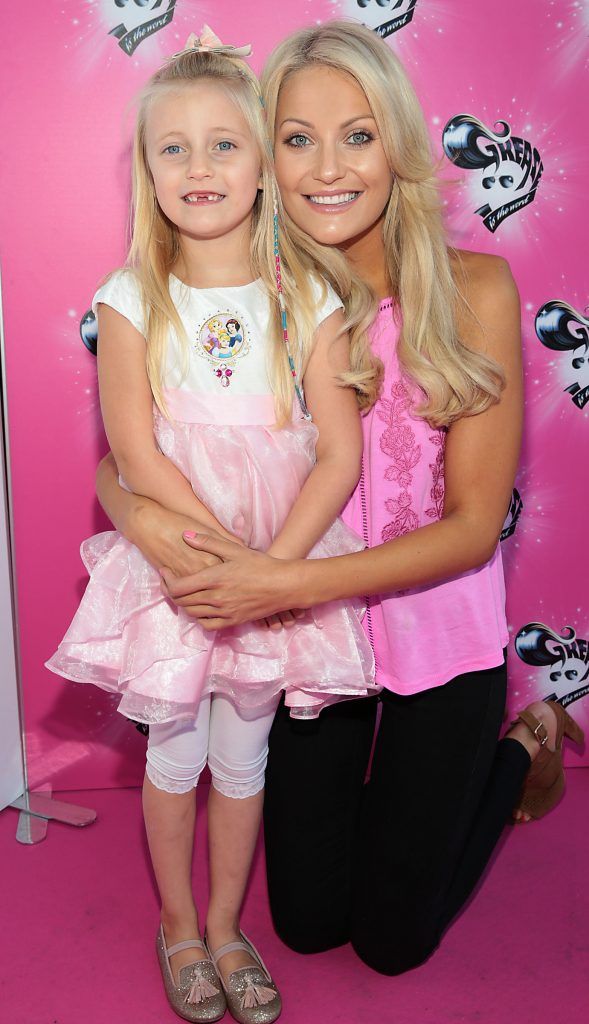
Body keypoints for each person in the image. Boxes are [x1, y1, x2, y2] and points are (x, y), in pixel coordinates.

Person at [95, 21, 584, 979]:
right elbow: (133, 452)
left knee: (392, 945)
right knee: (310, 924)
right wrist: (140, 515)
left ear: (396, 147)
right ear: (261, 153)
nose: (328, 166)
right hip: (308, 650)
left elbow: (475, 527)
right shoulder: (255, 295)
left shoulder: (475, 286)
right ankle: (404, 814)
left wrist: (275, 578)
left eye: (357, 135)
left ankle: (518, 747)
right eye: (295, 136)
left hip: (431, 641)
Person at [46, 28, 382, 1023]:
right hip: (181, 569)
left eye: (224, 144)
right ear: (147, 173)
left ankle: (229, 924)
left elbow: (338, 453)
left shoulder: (309, 294)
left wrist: (276, 573)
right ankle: (180, 925)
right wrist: (217, 564)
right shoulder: (132, 297)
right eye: (173, 149)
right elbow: (139, 457)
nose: (199, 167)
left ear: (263, 162)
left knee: (245, 761)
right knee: (174, 755)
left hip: (281, 564)